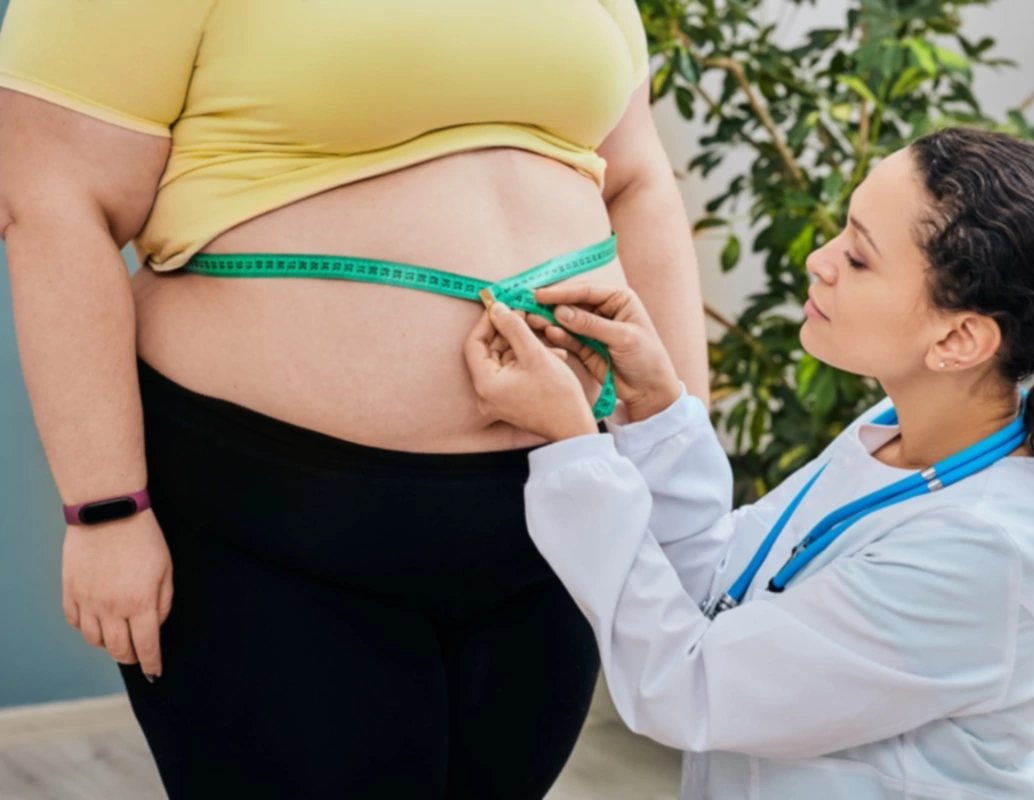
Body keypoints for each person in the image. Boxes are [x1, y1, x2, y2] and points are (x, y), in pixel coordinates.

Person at [0, 1, 708, 797]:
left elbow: (639, 179)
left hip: (560, 514)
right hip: (268, 520)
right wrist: (106, 510)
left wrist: (677, 453)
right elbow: (53, 198)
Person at [464, 127, 1034, 799]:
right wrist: (654, 407)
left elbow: (691, 688)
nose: (818, 260)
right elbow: (724, 587)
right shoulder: (898, 433)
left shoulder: (987, 548)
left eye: (859, 256)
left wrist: (572, 443)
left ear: (960, 338)